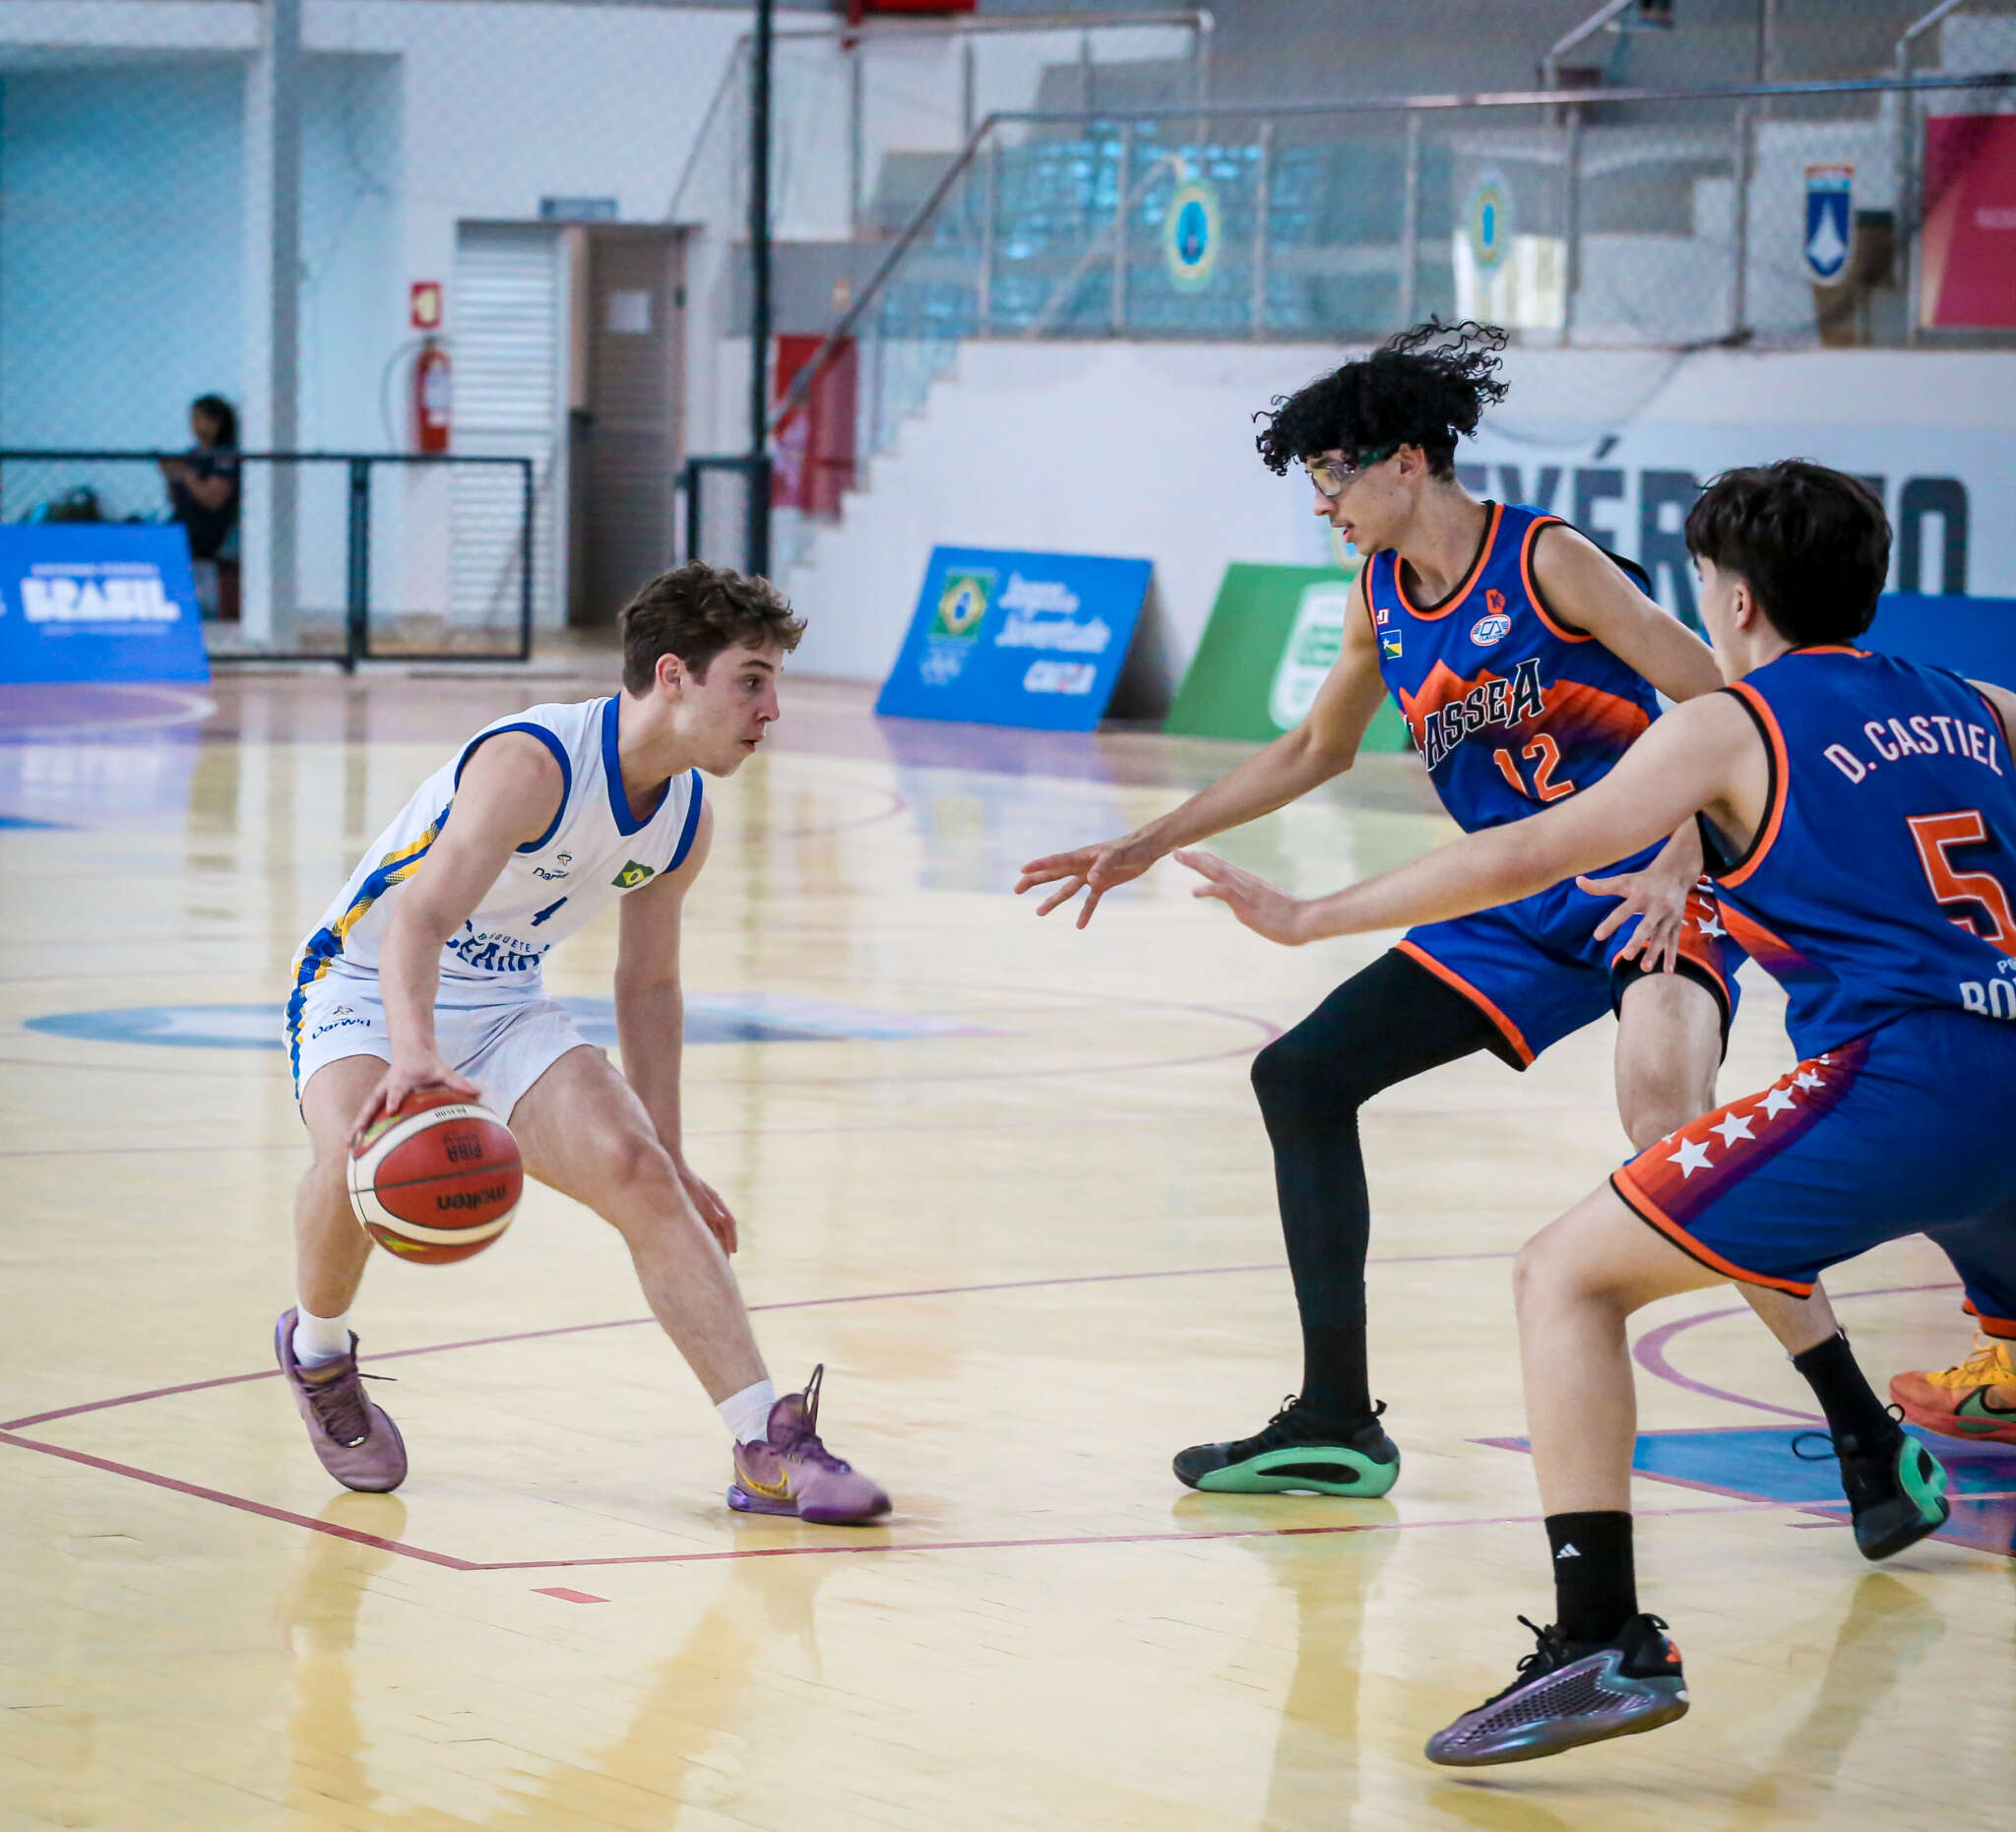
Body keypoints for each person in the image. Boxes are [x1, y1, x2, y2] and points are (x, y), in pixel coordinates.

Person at [1176, 460, 2011, 1763]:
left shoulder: (1731, 720)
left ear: (1732, 600)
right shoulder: (1974, 703)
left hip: (1907, 1089)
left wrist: (1308, 913)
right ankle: (1872, 1434)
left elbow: (1524, 853)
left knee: (1565, 1275)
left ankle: (1600, 1642)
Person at [1018, 320, 1781, 1499]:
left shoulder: (1549, 561)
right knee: (1301, 1077)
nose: (1322, 502)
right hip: (1516, 900)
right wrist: (1146, 838)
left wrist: (1686, 841)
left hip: (1648, 891)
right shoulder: (1379, 596)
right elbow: (1313, 748)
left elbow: (1721, 697)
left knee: (1665, 1124)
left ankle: (1851, 1414)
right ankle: (1335, 1420)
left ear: (1407, 462)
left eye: (1332, 474)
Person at [277, 562, 890, 1526]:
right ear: (676, 675)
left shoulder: (684, 816)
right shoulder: (532, 765)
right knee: (356, 1146)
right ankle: (318, 1354)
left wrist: (673, 1154)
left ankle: (765, 1448)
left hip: (507, 1003)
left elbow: (646, 986)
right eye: (752, 679)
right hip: (363, 982)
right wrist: (411, 1055)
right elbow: (417, 924)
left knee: (638, 1175)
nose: (772, 709)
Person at [159, 394, 241, 621]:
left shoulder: (225, 455)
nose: (196, 425)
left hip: (209, 527)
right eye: (193, 419)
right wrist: (170, 477)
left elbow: (213, 499)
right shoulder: (192, 455)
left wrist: (186, 474)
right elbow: (177, 500)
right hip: (183, 522)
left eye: (202, 419)